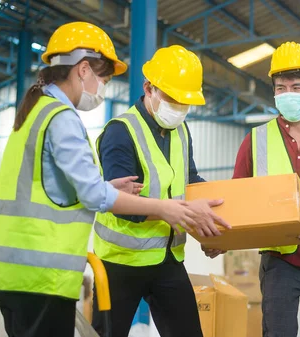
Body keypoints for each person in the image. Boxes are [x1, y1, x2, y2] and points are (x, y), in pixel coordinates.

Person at [0, 22, 217, 337]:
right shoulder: (67, 119)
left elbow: (60, 189)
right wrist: (166, 209)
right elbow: (94, 195)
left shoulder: (37, 110)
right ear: (83, 70)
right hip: (51, 270)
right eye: (103, 78)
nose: (103, 87)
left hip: (24, 270)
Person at [92, 45, 229, 337]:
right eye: (172, 98)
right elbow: (120, 202)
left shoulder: (181, 130)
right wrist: (181, 213)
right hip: (120, 263)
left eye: (185, 101)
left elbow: (189, 181)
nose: (179, 107)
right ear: (148, 88)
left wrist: (216, 223)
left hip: (167, 259)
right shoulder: (120, 131)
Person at [218, 41, 300, 337]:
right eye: (281, 88)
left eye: (296, 86)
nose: (288, 94)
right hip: (278, 261)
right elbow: (236, 199)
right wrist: (222, 239)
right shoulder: (254, 140)